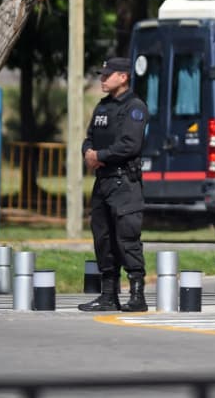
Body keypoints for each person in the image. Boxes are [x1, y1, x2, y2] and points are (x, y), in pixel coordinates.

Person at [78, 57, 150, 312]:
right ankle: (108, 295)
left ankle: (137, 296)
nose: (102, 78)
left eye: (107, 75)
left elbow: (130, 145)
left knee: (126, 238)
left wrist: (101, 156)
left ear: (123, 77)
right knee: (103, 239)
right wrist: (88, 152)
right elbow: (89, 137)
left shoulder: (134, 107)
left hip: (124, 183)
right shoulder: (102, 107)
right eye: (102, 74)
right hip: (103, 181)